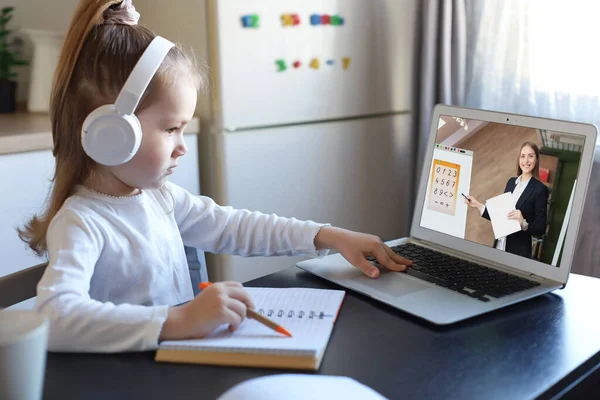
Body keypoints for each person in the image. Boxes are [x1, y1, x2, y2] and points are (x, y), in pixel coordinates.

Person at [17, 0, 411, 353]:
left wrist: (328, 236)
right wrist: (180, 321)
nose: (182, 146)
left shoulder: (160, 199)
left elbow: (234, 226)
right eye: (172, 129)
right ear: (111, 134)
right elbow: (55, 318)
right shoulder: (82, 222)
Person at [465, 141, 549, 258]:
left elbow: (541, 228)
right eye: (522, 156)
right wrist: (478, 205)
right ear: (518, 159)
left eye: (530, 156)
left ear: (536, 160)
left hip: (518, 253)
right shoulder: (511, 182)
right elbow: (501, 216)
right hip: (499, 246)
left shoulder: (540, 189)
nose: (526, 161)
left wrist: (523, 222)